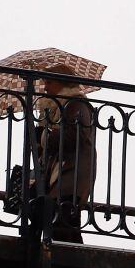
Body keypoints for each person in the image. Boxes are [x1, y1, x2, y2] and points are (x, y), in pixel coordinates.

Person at [36, 64, 97, 243]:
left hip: (73, 173)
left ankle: (72, 265)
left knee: (64, 222)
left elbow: (73, 137)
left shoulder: (77, 104)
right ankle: (69, 264)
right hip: (61, 173)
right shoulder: (57, 109)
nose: (45, 87)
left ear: (61, 82)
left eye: (48, 82)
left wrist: (44, 136)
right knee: (60, 224)